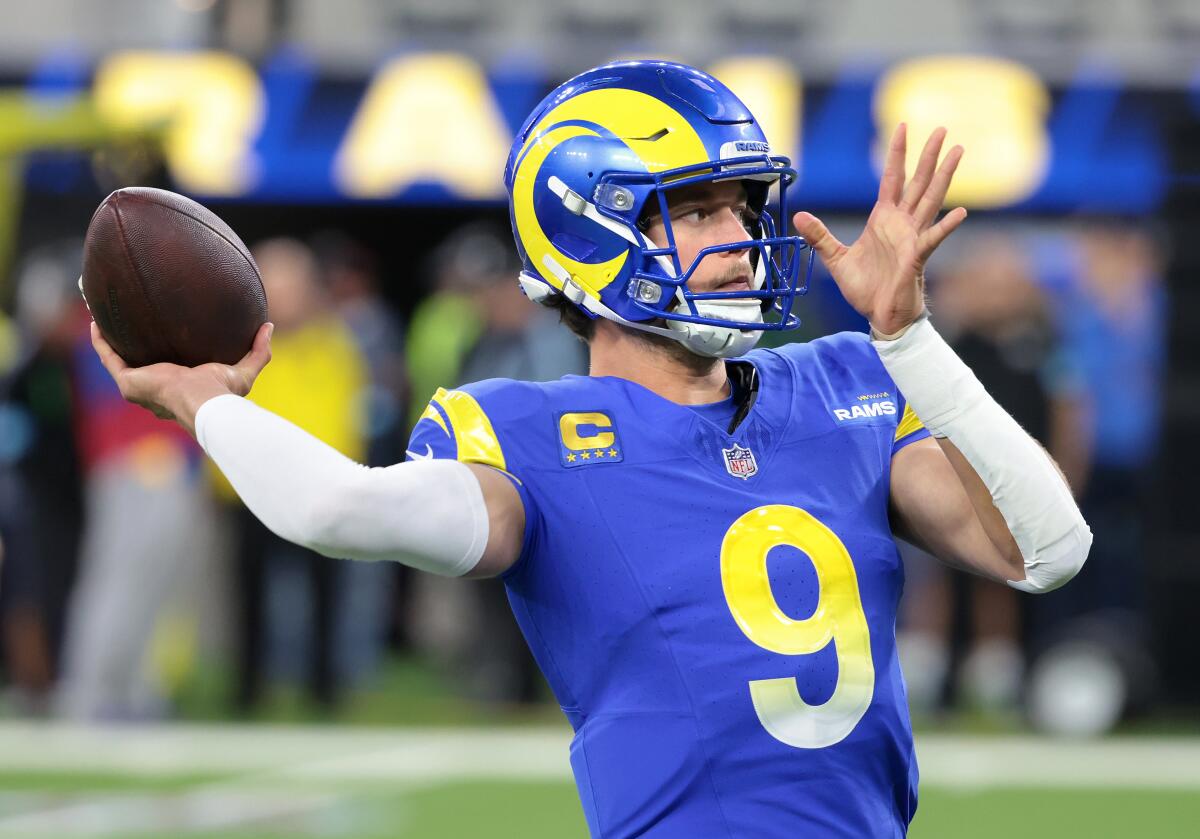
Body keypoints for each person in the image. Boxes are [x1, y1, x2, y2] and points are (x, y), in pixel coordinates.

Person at [89, 61, 1091, 837]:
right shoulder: (529, 434)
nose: (742, 235)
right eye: (698, 208)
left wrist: (909, 340)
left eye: (744, 206)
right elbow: (336, 509)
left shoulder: (844, 381)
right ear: (590, 233)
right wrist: (201, 401)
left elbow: (1048, 547)